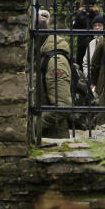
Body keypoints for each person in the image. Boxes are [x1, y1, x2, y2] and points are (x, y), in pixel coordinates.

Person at [34, 10, 74, 138]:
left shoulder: (55, 61)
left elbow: (62, 107)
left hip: (53, 137)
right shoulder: (40, 54)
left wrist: (33, 126)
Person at [71, 0, 100, 65]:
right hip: (94, 41)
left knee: (80, 64)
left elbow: (74, 28)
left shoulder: (80, 14)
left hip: (82, 44)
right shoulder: (97, 14)